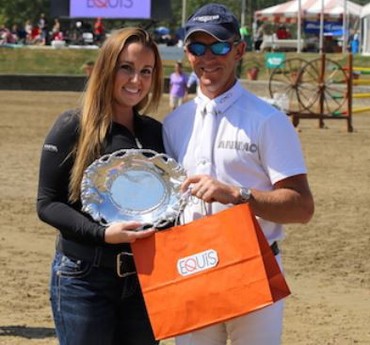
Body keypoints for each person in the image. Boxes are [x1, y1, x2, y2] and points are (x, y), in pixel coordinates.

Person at [163, 3, 314, 345]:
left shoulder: (268, 120)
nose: (208, 57)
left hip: (253, 265)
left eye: (218, 46)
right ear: (187, 52)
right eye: (197, 47)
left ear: (239, 50)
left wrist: (237, 195)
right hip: (191, 266)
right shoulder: (174, 124)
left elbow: (302, 207)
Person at [37, 27, 164, 345]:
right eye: (127, 68)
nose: (136, 81)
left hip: (147, 281)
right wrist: (103, 235)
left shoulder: (156, 134)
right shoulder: (72, 126)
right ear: (108, 67)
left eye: (146, 71)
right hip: (84, 279)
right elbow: (48, 203)